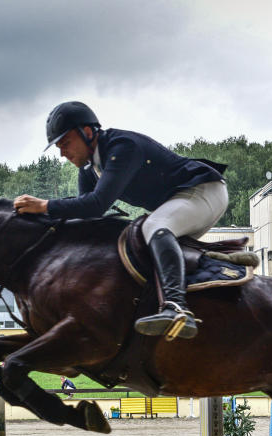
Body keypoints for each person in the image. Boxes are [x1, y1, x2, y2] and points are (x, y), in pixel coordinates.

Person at [13, 102, 228, 340]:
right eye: (58, 147)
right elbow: (86, 217)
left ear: (87, 132)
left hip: (204, 190)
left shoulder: (122, 146)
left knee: (153, 227)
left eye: (65, 143)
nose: (62, 152)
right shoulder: (89, 169)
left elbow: (96, 204)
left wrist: (44, 206)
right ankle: (215, 261)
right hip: (181, 199)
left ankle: (177, 308)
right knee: (138, 246)